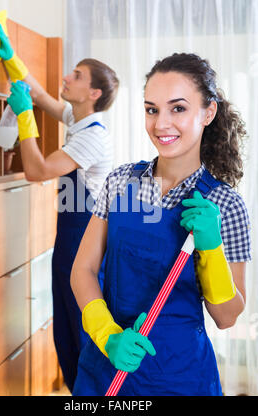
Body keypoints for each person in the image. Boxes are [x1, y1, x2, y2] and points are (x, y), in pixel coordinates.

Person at [70, 53, 251, 396]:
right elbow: (83, 269)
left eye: (178, 108)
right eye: (152, 109)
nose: (161, 123)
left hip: (178, 376)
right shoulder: (120, 180)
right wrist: (108, 336)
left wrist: (210, 248)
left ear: (208, 112)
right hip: (107, 368)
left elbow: (227, 316)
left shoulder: (226, 205)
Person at [0, 22, 119, 393]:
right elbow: (42, 94)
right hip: (68, 240)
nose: (67, 76)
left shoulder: (93, 137)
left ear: (92, 92)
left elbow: (38, 170)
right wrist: (10, 58)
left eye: (76, 75)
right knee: (65, 332)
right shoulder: (78, 120)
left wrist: (24, 116)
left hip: (85, 243)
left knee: (82, 336)